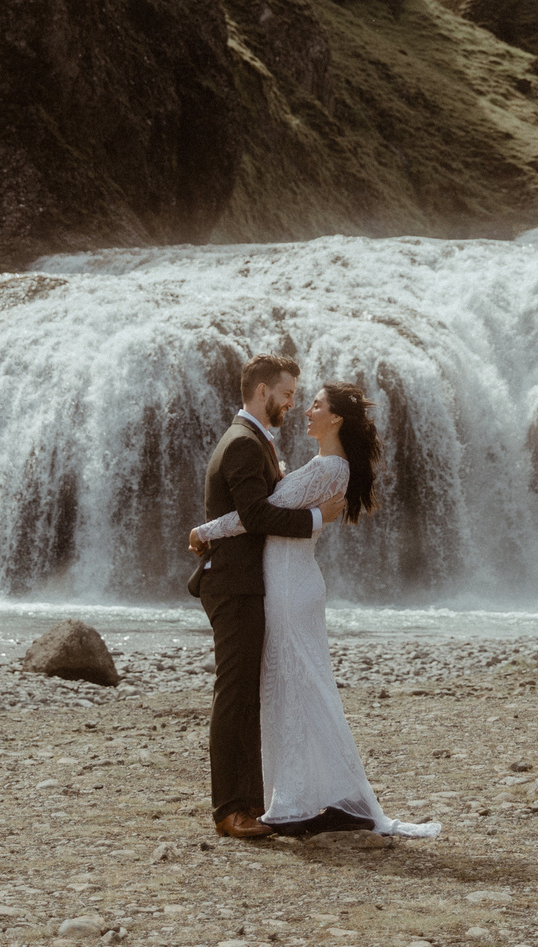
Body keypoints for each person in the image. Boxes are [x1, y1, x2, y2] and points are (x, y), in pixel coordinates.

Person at [189, 378, 441, 840]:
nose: (305, 409)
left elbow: (258, 514)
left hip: (287, 587)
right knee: (295, 684)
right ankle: (309, 796)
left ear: (336, 418)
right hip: (288, 581)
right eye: (302, 401)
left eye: (316, 405)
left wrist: (206, 531)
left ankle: (311, 799)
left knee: (298, 683)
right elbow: (275, 507)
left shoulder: (329, 468)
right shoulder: (326, 466)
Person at [187, 354, 344, 840]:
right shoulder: (242, 444)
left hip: (247, 582)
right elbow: (255, 515)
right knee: (234, 694)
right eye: (288, 394)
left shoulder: (257, 441)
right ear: (262, 392)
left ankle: (250, 804)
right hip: (233, 584)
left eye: (298, 396)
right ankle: (230, 810)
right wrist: (319, 520)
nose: (292, 403)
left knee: (246, 692)